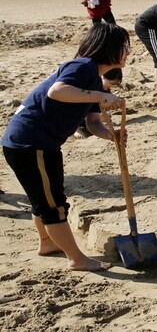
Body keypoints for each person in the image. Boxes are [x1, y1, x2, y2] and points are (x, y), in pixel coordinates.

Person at [1, 23, 130, 272]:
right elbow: (57, 91)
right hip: (31, 142)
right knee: (53, 204)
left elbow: (93, 124)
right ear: (110, 49)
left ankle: (48, 243)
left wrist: (111, 135)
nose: (128, 52)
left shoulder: (94, 81)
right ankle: (76, 259)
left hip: (37, 143)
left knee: (44, 197)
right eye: (125, 47)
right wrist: (100, 97)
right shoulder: (83, 66)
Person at [74, 68, 123, 138]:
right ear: (102, 76)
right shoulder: (91, 84)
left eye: (114, 85)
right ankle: (76, 129)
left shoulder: (105, 89)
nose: (111, 86)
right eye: (111, 83)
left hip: (89, 119)